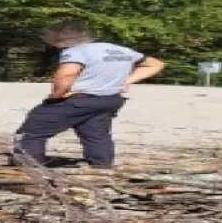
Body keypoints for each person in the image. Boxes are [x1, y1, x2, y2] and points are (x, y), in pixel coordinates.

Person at [13, 20, 164, 169]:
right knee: (96, 134)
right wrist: (126, 81)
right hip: (110, 99)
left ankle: (28, 165)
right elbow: (156, 64)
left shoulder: (75, 51)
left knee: (33, 129)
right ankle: (101, 167)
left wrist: (56, 95)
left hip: (80, 99)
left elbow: (67, 75)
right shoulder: (119, 49)